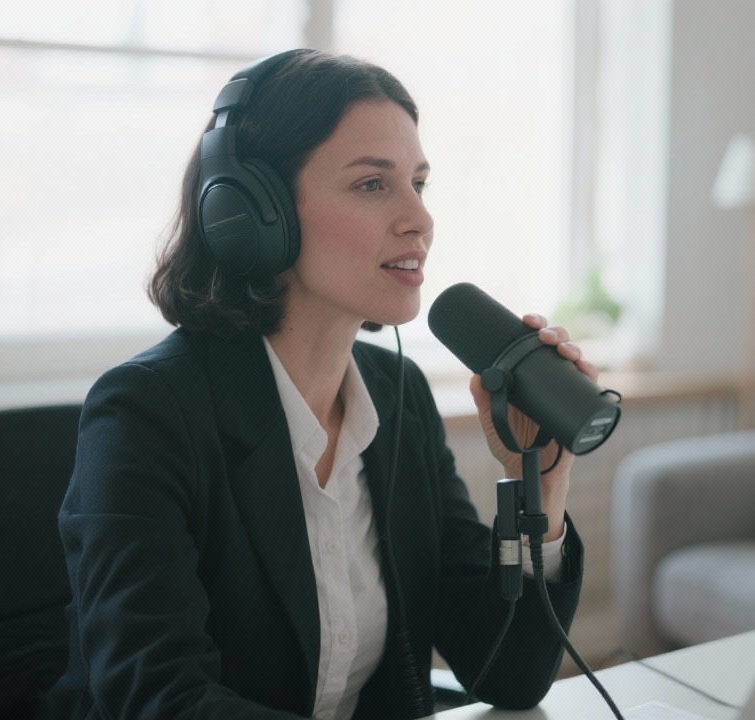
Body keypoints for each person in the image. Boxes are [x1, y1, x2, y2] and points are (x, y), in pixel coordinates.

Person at [46, 49, 599, 720]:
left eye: (418, 184)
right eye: (373, 184)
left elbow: (505, 675)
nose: (418, 220)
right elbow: (158, 700)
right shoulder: (146, 414)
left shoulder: (400, 397)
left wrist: (540, 488)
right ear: (253, 212)